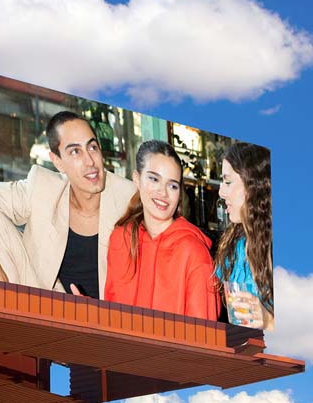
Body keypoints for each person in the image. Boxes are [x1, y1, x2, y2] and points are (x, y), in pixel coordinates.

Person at [0, 111, 136, 298]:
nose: (90, 161)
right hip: (49, 305)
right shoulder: (44, 188)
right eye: (75, 151)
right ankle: (1, 307)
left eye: (92, 147)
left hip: (109, 319)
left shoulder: (129, 198)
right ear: (58, 162)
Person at [105, 140, 220, 321]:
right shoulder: (120, 239)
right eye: (154, 179)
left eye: (172, 185)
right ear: (137, 179)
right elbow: (111, 315)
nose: (163, 193)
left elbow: (206, 340)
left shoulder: (195, 253)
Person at [215, 142, 274, 329]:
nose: (221, 192)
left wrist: (269, 321)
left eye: (228, 181)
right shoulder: (233, 247)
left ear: (253, 185)